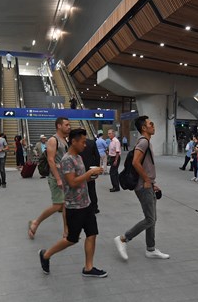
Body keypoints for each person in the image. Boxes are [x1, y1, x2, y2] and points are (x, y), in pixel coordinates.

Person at [38, 128, 106, 277]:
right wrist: (88, 174)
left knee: (92, 234)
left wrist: (91, 176)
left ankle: (88, 268)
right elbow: (72, 182)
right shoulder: (67, 160)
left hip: (86, 203)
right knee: (71, 239)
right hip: (74, 207)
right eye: (82, 142)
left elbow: (81, 179)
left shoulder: (79, 158)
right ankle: (46, 255)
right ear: (74, 142)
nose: (85, 145)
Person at [114, 116, 170, 261]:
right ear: (144, 128)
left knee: (152, 218)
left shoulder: (146, 142)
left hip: (148, 185)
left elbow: (144, 165)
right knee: (150, 219)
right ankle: (123, 238)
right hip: (143, 186)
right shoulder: (144, 142)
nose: (153, 126)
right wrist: (146, 180)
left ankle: (150, 249)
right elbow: (135, 162)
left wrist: (151, 182)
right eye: (151, 124)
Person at [28, 117, 71, 239]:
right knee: (58, 205)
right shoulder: (53, 140)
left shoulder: (64, 140)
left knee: (65, 205)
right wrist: (58, 178)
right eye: (66, 125)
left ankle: (66, 231)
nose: (69, 127)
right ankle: (36, 222)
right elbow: (50, 160)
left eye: (69, 125)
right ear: (59, 126)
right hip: (56, 177)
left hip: (64, 176)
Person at [78, 133, 100, 214]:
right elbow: (97, 156)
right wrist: (97, 167)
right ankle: (94, 208)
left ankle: (82, 207)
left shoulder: (76, 144)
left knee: (80, 188)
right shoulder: (92, 142)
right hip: (91, 168)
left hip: (80, 168)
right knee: (92, 189)